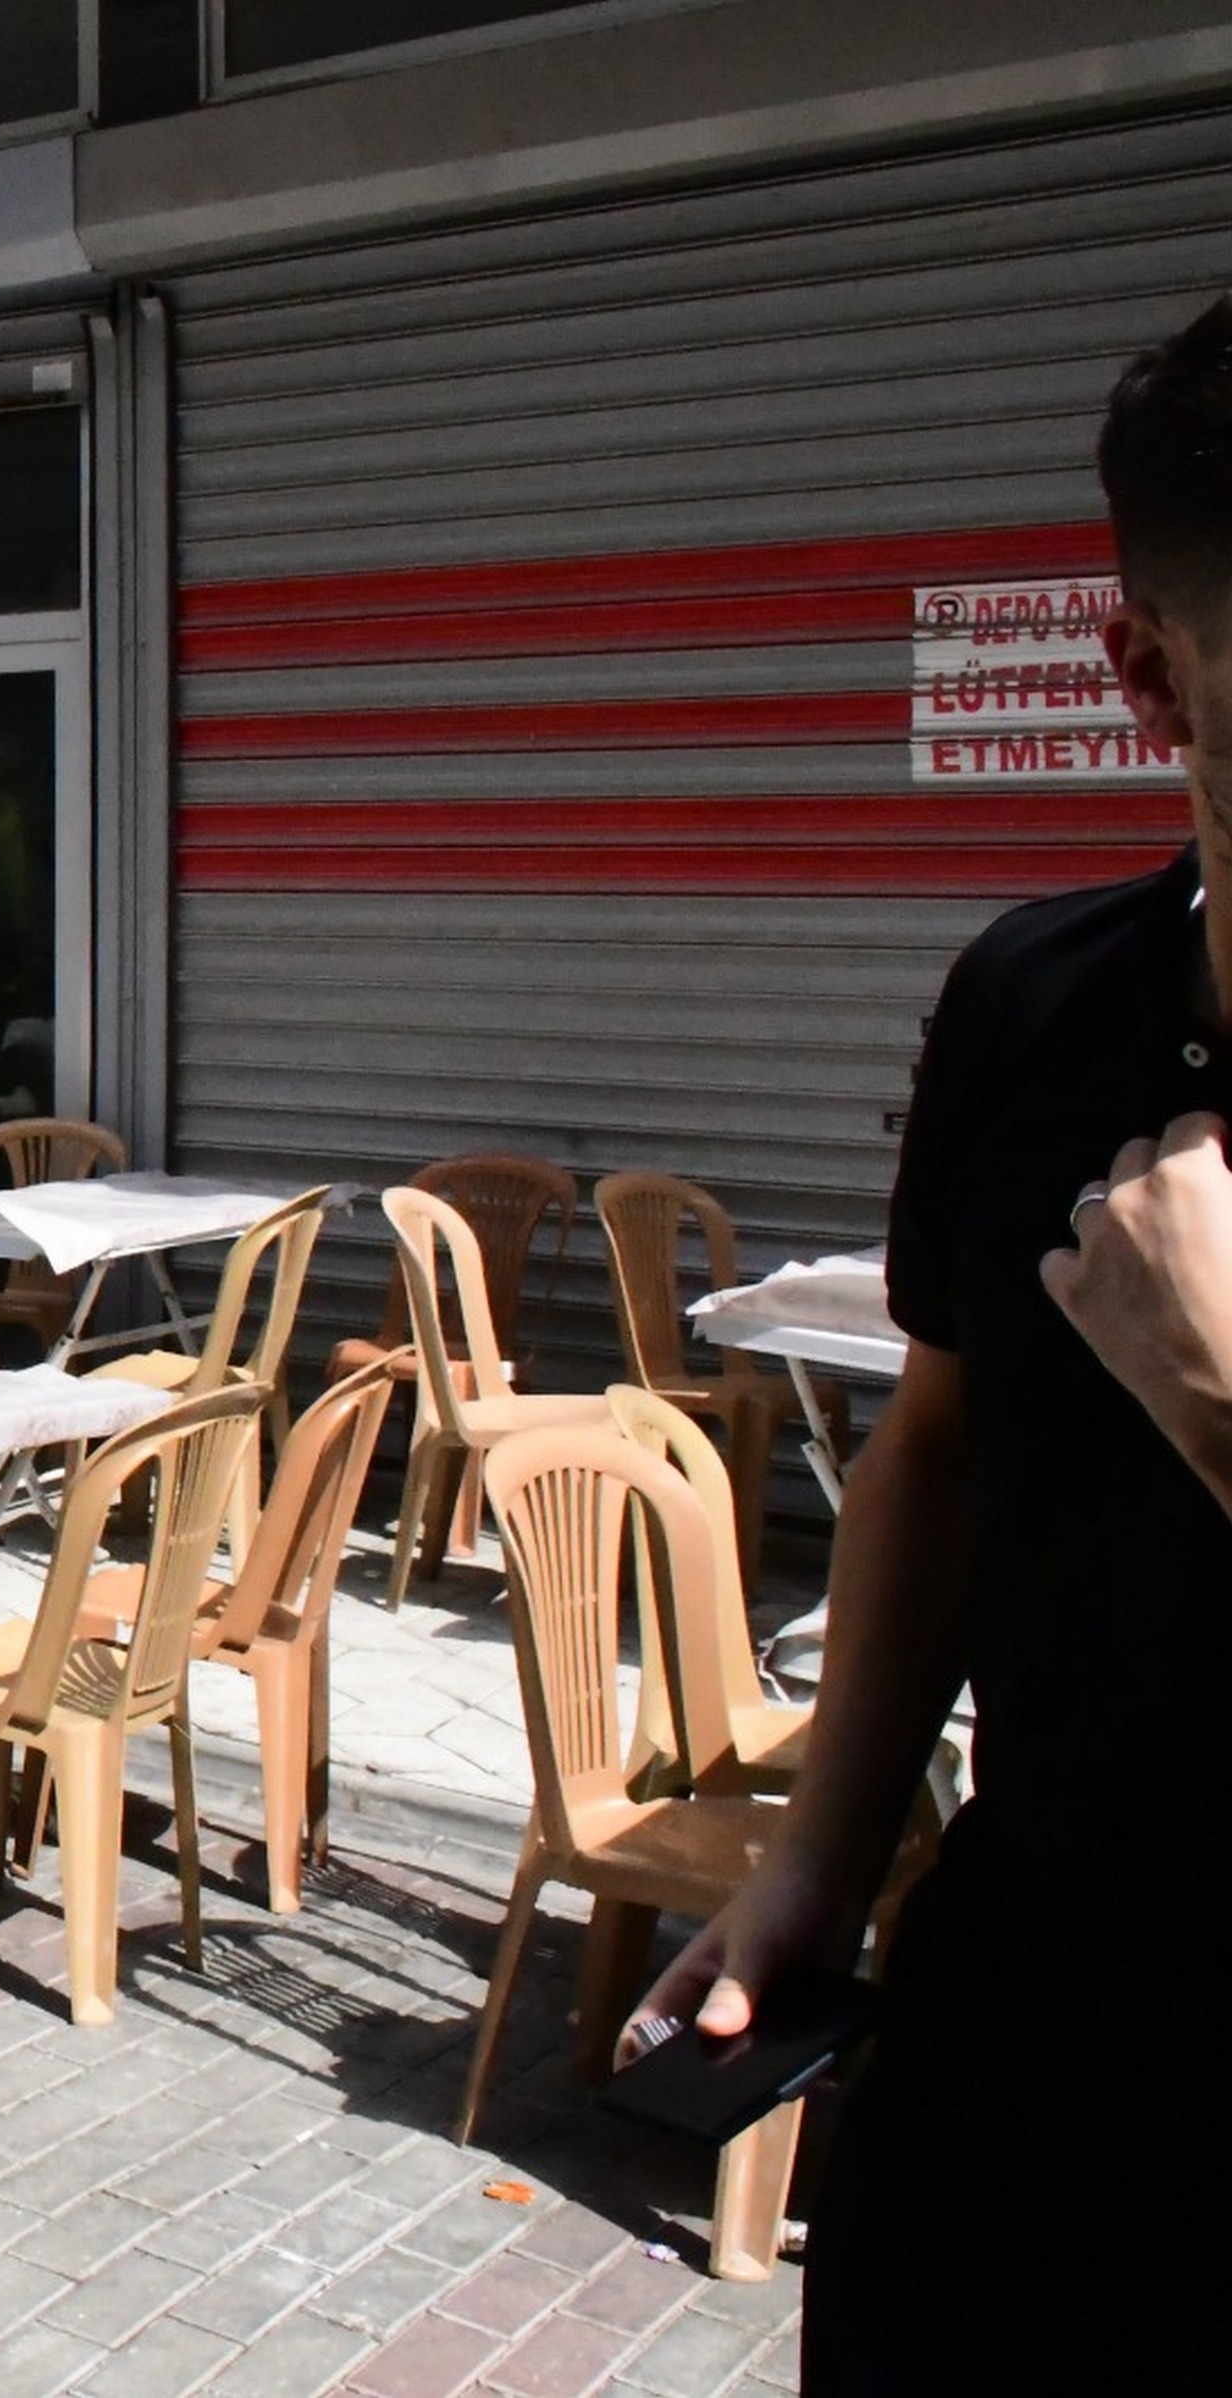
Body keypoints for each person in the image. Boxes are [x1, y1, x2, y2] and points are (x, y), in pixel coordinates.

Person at [631, 299, 1232, 2392]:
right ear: (1151, 675)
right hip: (1021, 2069)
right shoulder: (1034, 1004)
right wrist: (818, 1855)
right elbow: (942, 1448)